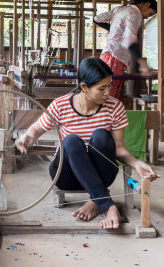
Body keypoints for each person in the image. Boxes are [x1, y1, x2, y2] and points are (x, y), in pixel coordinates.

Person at [16, 57, 160, 229]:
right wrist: (28, 137)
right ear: (84, 87)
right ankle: (106, 205)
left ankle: (96, 200)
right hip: (66, 175)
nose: (108, 92)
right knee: (71, 141)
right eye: (102, 88)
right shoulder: (61, 105)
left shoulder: (115, 107)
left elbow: (119, 149)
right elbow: (36, 129)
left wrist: (137, 163)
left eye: (109, 86)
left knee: (101, 136)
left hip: (101, 174)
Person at [93, 0, 157, 100]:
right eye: (150, 13)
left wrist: (114, 30)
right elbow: (130, 40)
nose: (147, 17)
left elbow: (96, 19)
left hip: (106, 57)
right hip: (115, 59)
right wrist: (143, 64)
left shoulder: (120, 9)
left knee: (104, 95)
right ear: (146, 4)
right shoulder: (135, 14)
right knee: (109, 98)